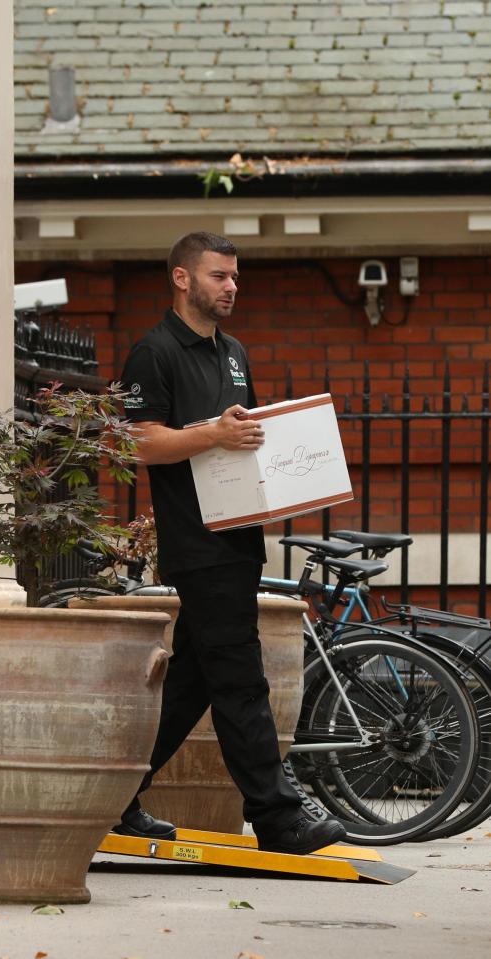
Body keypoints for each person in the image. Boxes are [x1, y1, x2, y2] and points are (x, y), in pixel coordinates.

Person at [114, 232, 347, 855]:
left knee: (193, 679)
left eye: (235, 277)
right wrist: (213, 434)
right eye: (219, 276)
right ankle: (278, 818)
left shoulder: (235, 352)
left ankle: (113, 798)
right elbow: (140, 444)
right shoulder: (153, 352)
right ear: (183, 279)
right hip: (198, 542)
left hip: (241, 537)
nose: (231, 286)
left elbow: (242, 439)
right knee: (242, 680)